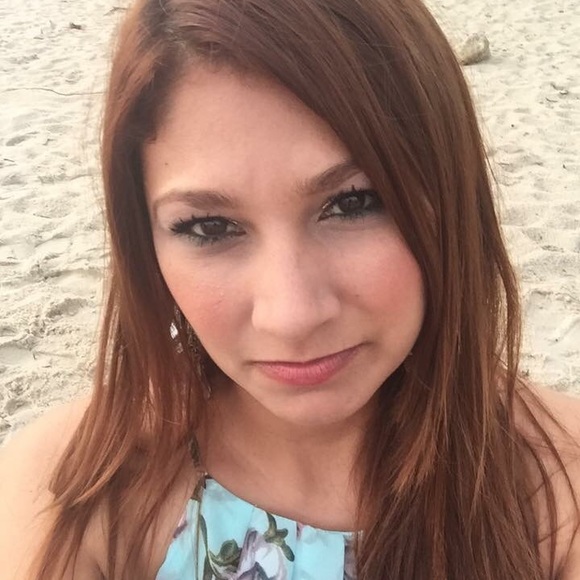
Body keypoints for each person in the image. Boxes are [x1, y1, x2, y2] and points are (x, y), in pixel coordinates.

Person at [1, 0, 579, 578]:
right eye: (210, 227)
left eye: (353, 203)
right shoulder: (71, 492)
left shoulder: (559, 486)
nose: (292, 315)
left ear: (449, 195)